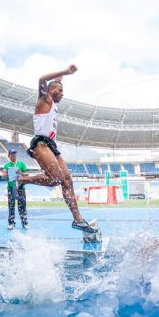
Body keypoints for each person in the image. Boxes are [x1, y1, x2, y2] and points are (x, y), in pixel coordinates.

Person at [17, 65, 97, 233]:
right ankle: (23, 180)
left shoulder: (53, 102)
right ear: (50, 90)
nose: (62, 93)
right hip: (41, 144)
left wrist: (61, 79)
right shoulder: (44, 100)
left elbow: (54, 83)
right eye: (59, 90)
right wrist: (64, 72)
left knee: (67, 180)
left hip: (52, 146)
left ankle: (78, 220)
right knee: (56, 180)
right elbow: (42, 79)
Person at [2, 149, 28, 230]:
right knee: (11, 206)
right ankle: (11, 223)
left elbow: (26, 174)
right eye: (11, 154)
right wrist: (5, 174)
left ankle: (24, 223)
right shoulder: (6, 165)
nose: (13, 155)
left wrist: (20, 172)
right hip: (11, 188)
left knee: (22, 206)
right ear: (9, 156)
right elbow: (3, 177)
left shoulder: (21, 164)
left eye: (14, 153)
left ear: (16, 155)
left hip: (21, 187)